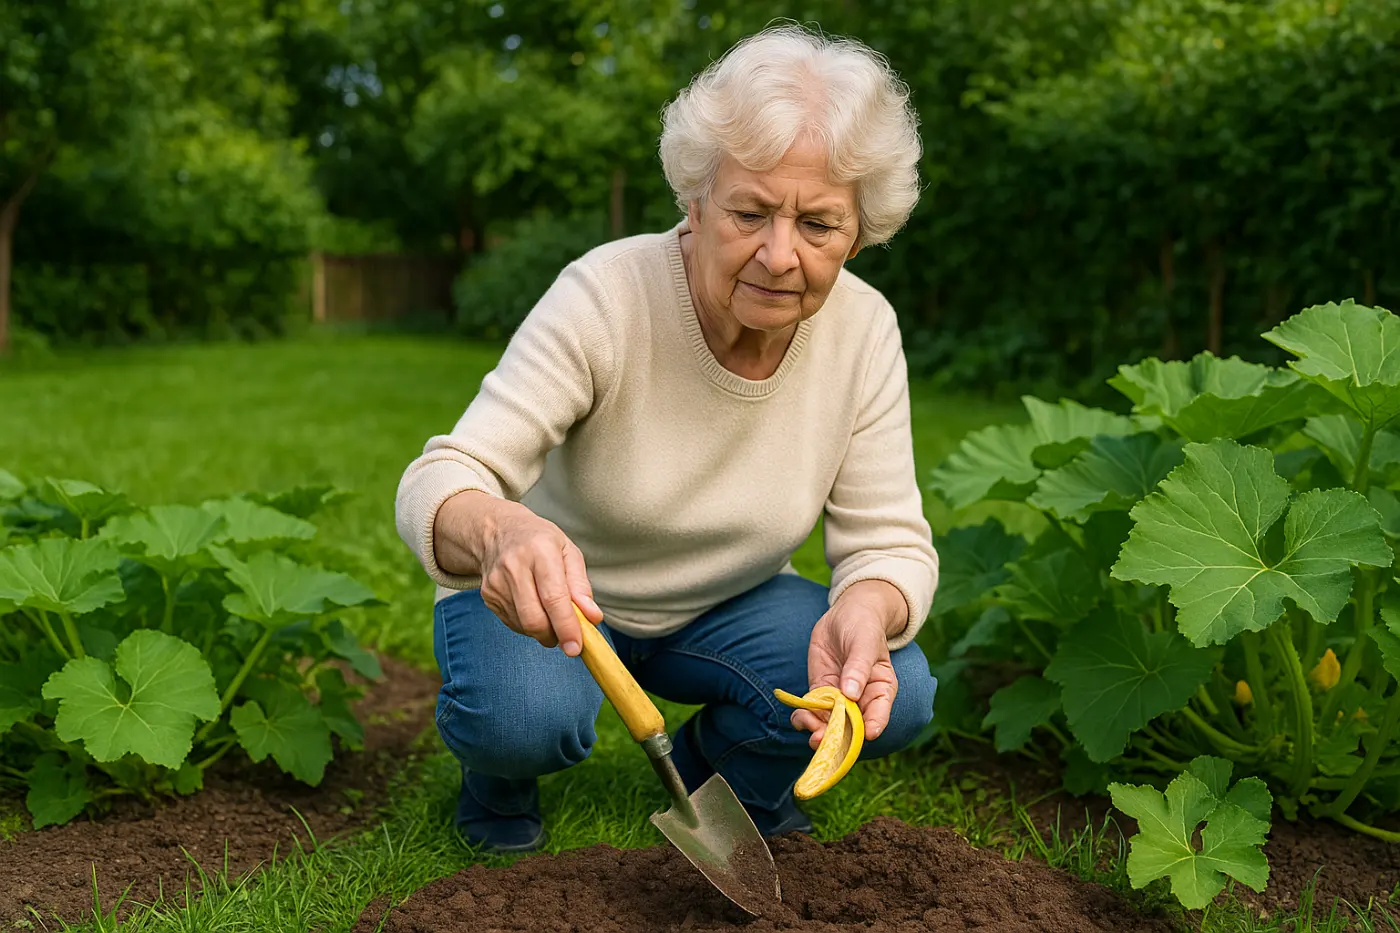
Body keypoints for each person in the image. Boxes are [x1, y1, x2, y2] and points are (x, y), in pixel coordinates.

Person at [395, 22, 940, 854]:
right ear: (696, 199)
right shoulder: (608, 295)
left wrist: (870, 601)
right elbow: (445, 475)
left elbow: (890, 538)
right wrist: (503, 528)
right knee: (521, 717)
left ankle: (721, 770)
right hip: (560, 604)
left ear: (861, 234)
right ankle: (500, 776)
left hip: (729, 608)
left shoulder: (865, 331)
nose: (779, 255)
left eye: (819, 225)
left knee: (895, 691)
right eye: (748, 211)